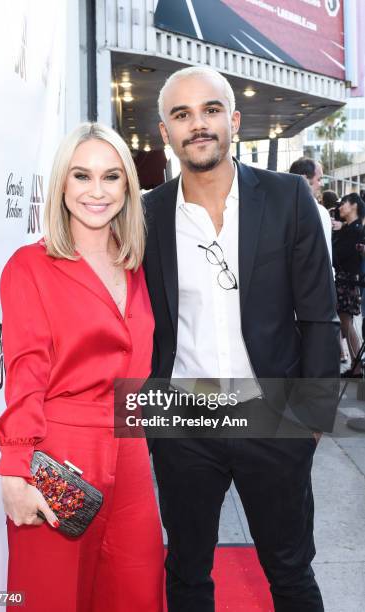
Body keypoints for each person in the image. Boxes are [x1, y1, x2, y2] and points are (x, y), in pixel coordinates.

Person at [143, 66, 339, 612]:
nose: (197, 124)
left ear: (233, 120)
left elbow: (319, 317)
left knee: (291, 573)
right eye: (181, 114)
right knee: (186, 573)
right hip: (183, 418)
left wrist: (312, 417)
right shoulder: (146, 214)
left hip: (272, 414)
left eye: (209, 110)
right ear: (165, 131)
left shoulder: (287, 199)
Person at [0, 122, 164, 612]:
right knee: (51, 597)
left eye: (111, 177)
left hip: (130, 451)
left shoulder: (134, 264)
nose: (96, 191)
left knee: (137, 591)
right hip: (59, 455)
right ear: (61, 185)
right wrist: (15, 468)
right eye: (81, 176)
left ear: (127, 186)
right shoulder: (30, 266)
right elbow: (26, 373)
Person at [332, 192, 365, 377]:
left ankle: (357, 366)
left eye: (344, 203)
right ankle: (356, 365)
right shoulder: (350, 228)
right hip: (346, 280)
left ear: (354, 206)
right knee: (346, 323)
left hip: (348, 280)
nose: (340, 206)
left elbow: (340, 255)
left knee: (346, 322)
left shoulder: (357, 230)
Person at [289, 157, 332, 261]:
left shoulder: (279, 210)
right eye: (319, 179)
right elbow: (326, 256)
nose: (321, 184)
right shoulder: (320, 212)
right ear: (304, 179)